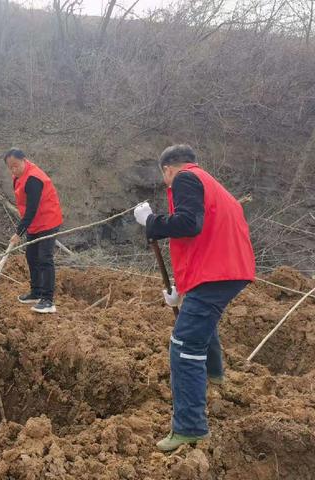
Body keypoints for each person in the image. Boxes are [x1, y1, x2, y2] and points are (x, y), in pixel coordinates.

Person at [134, 144, 255, 452]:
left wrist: (151, 221)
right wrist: (182, 290)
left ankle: (190, 427)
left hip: (220, 272)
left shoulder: (186, 178)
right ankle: (214, 375)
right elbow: (202, 238)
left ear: (168, 169)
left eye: (165, 177)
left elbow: (189, 224)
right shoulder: (210, 184)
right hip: (226, 270)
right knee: (201, 323)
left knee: (184, 345)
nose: (166, 183)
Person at [4, 149, 63, 314]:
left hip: (48, 220)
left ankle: (48, 300)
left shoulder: (33, 180)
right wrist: (25, 228)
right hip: (35, 223)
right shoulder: (19, 176)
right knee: (31, 256)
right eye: (10, 167)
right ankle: (36, 292)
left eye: (15, 165)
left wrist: (18, 233)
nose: (13, 170)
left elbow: (31, 210)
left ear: (24, 160)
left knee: (45, 258)